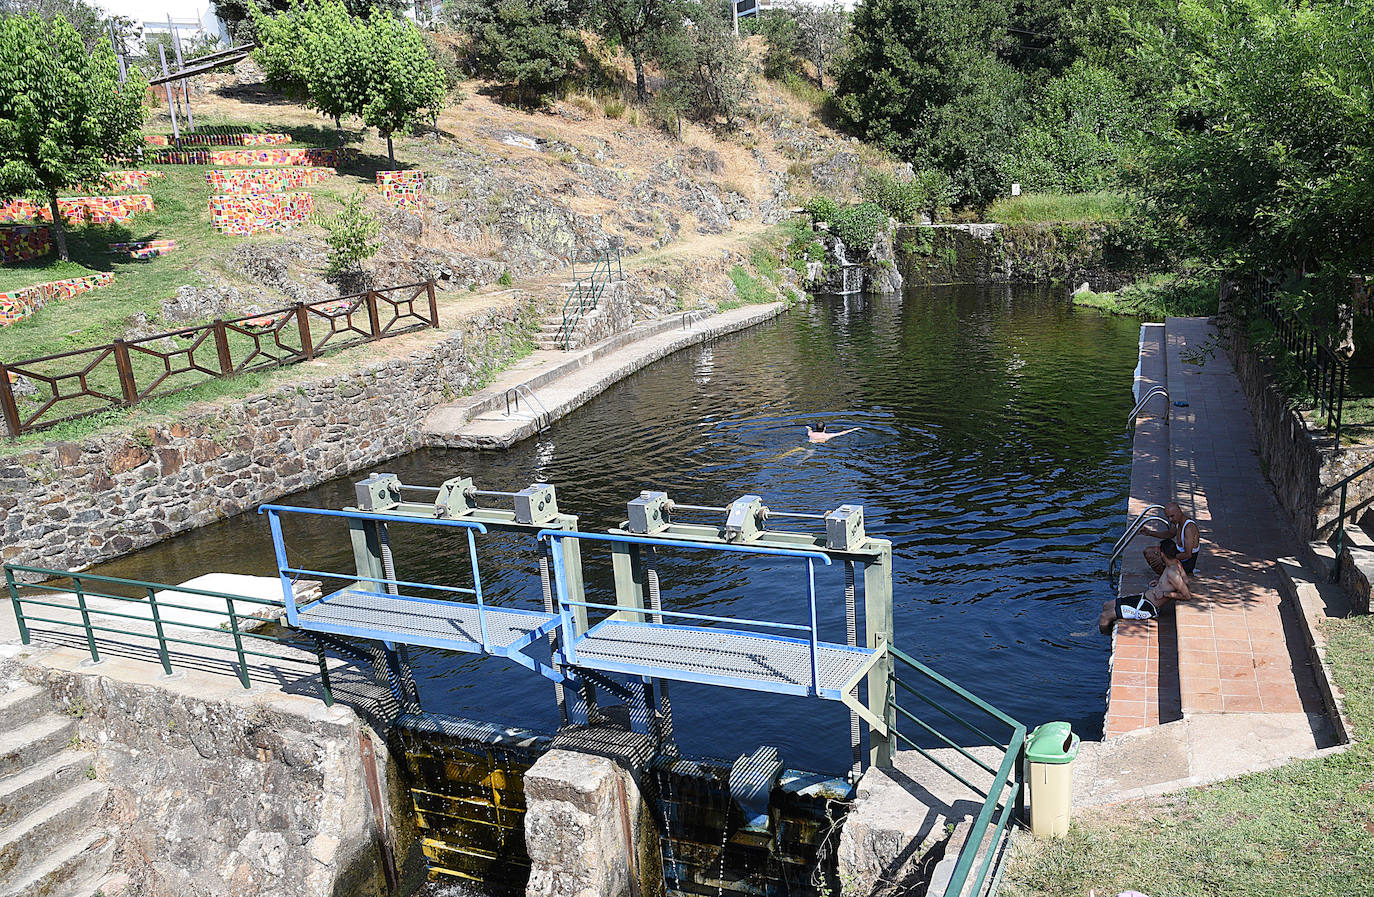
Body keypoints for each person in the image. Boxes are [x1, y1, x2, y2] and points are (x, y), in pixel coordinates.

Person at [1100, 542, 1192, 634]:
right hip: (1144, 598)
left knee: (1106, 615)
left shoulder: (1172, 573)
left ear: (1162, 554)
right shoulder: (1176, 563)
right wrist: (1161, 582)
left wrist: (1165, 594)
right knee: (1107, 605)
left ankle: (1103, 639)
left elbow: (1187, 595)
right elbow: (1186, 580)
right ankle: (1107, 632)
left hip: (1147, 607)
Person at [1140, 501, 1200, 576]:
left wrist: (1165, 559)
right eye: (1168, 517)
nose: (1170, 520)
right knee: (1148, 551)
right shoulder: (1178, 522)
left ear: (1179, 511)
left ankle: (1168, 579)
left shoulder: (1189, 528)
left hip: (1186, 563)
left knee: (1156, 559)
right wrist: (1149, 533)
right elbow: (1170, 534)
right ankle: (1166, 575)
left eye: (1172, 516)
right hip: (1177, 554)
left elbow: (1188, 555)